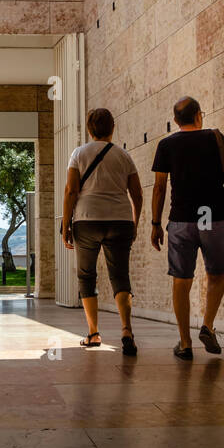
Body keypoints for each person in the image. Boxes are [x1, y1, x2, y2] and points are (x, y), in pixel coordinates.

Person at [149, 96, 224, 360]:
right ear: (199, 116)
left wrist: (155, 223)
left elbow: (159, 187)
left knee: (182, 280)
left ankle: (185, 343)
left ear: (176, 120)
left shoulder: (166, 145)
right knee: (216, 274)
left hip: (181, 220)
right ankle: (207, 325)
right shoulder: (215, 138)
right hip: (212, 218)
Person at [62, 107, 144, 354]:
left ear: (89, 129)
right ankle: (127, 330)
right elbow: (137, 194)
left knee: (87, 276)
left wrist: (66, 224)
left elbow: (71, 191)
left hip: (86, 220)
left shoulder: (79, 153)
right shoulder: (124, 156)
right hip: (120, 220)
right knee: (120, 276)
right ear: (113, 128)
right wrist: (135, 222)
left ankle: (93, 333)